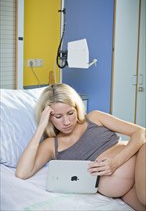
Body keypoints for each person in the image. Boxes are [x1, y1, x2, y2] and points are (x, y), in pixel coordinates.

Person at [16, 83, 146, 211]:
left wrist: (115, 163)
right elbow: (22, 173)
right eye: (58, 116)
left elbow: (141, 133)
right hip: (124, 189)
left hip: (139, 159)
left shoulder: (95, 118)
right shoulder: (51, 145)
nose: (66, 122)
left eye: (70, 113)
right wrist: (41, 127)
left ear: (77, 108)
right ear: (49, 117)